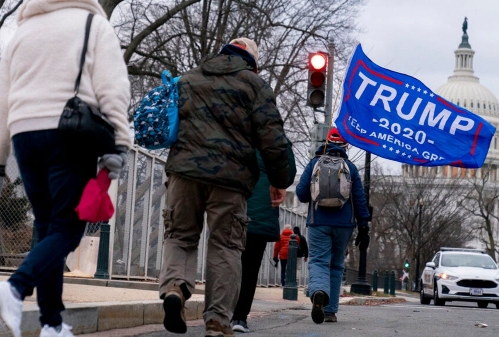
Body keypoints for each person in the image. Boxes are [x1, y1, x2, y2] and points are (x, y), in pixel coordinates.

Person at [0, 1, 131, 336]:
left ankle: (52, 323)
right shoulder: (93, 24)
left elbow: (0, 100)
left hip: (24, 135)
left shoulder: (24, 31)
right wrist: (120, 140)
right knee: (68, 229)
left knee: (48, 228)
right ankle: (15, 289)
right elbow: (113, 87)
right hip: (71, 132)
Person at [158, 37, 292, 337]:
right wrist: (279, 181)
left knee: (180, 235)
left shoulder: (190, 78)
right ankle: (218, 319)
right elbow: (273, 141)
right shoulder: (256, 87)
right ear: (253, 64)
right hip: (230, 180)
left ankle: (175, 290)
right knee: (226, 245)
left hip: (184, 172)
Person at [295, 127, 370, 324]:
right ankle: (330, 311)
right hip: (344, 225)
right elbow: (359, 199)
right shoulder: (351, 168)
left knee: (319, 261)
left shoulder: (314, 164)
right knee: (336, 265)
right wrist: (364, 225)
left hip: (318, 221)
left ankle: (319, 291)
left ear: (326, 142)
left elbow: (302, 194)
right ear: (345, 145)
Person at [230, 148, 297, 333]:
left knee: (226, 261)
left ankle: (219, 312)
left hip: (233, 204)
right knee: (250, 267)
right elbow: (288, 171)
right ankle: (239, 317)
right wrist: (277, 181)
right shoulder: (273, 135)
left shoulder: (236, 124)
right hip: (261, 209)